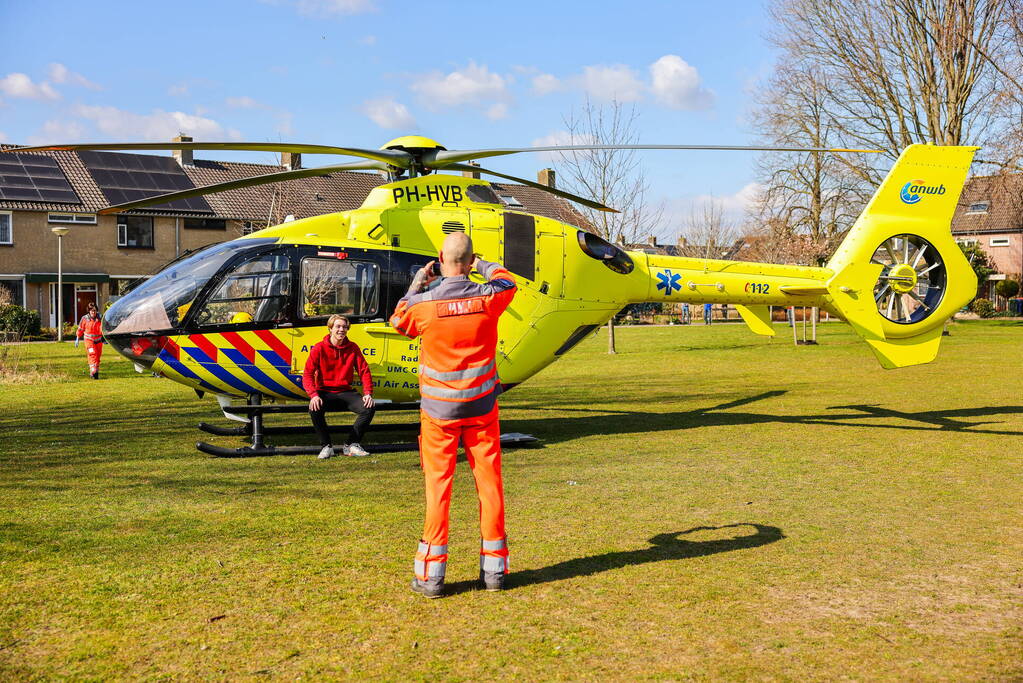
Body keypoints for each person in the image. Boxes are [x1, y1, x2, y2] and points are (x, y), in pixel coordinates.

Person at [389, 232, 516, 598]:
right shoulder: (489, 297)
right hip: (481, 410)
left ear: (440, 258)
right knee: (490, 486)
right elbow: (507, 280)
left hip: (438, 416)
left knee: (438, 489)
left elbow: (398, 321)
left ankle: (431, 576)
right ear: (470, 259)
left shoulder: (422, 305)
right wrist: (483, 265)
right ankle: (494, 571)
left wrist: (416, 283)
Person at [303, 314, 376, 460]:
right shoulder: (319, 348)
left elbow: (364, 371)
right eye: (338, 326)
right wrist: (313, 395)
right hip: (324, 391)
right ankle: (326, 447)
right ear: (330, 328)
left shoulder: (353, 347)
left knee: (368, 408)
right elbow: (308, 374)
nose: (341, 330)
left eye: (344, 327)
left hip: (345, 392)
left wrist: (368, 393)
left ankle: (351, 444)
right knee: (314, 408)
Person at [74, 302, 103, 379]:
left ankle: (95, 373)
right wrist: (77, 338)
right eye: (91, 311)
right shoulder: (85, 319)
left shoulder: (100, 318)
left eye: (94, 310)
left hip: (98, 340)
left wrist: (105, 338)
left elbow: (104, 328)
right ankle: (93, 371)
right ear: (89, 311)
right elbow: (80, 328)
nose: (93, 312)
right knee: (92, 354)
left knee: (97, 356)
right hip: (89, 340)